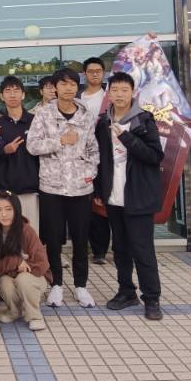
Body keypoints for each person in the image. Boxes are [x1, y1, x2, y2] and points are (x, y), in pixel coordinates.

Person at [93, 72, 165, 321]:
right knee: (121, 249)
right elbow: (101, 160)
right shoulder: (103, 123)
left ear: (133, 93)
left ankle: (152, 298)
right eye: (115, 90)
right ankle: (126, 291)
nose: (119, 94)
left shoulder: (143, 120)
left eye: (124, 90)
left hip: (138, 197)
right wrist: (99, 190)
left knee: (142, 250)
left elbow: (155, 156)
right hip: (114, 197)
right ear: (109, 93)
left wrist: (126, 137)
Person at [26, 68, 100, 309]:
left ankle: (81, 286)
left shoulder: (86, 116)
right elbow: (32, 146)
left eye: (72, 84)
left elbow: (93, 149)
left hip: (80, 188)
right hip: (52, 187)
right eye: (63, 84)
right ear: (55, 87)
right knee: (53, 239)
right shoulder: (43, 114)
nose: (68, 88)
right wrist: (60, 141)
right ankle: (56, 284)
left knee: (80, 238)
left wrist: (89, 174)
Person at [0, 192, 50, 331]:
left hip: (35, 277)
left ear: (16, 210)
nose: (3, 214)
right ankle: (14, 311)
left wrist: (13, 269)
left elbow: (42, 263)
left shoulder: (26, 230)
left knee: (23, 279)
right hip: (8, 276)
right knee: (3, 282)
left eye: (8, 209)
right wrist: (15, 263)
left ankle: (35, 316)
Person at [0, 76, 41, 234]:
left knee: (30, 233)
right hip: (4, 189)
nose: (12, 94)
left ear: (23, 95)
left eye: (16, 90)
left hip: (31, 188)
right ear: (1, 96)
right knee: (6, 233)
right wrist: (3, 149)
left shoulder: (36, 121)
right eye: (8, 91)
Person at [81, 57, 111, 265]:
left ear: (103, 73)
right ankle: (94, 248)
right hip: (80, 156)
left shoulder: (110, 97)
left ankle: (104, 249)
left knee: (104, 200)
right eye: (90, 71)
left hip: (106, 155)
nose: (94, 74)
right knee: (87, 203)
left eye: (98, 70)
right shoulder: (77, 98)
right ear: (84, 74)